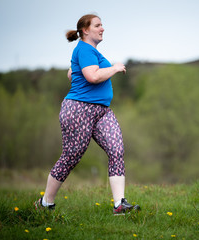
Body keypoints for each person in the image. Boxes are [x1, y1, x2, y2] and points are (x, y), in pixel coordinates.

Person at [35, 14, 139, 215]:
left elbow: (76, 71)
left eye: (102, 25)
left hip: (102, 111)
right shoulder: (83, 48)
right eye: (98, 25)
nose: (102, 29)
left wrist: (73, 69)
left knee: (116, 150)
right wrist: (115, 68)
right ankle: (46, 202)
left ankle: (120, 204)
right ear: (85, 30)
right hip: (79, 110)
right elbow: (92, 76)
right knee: (71, 156)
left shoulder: (88, 52)